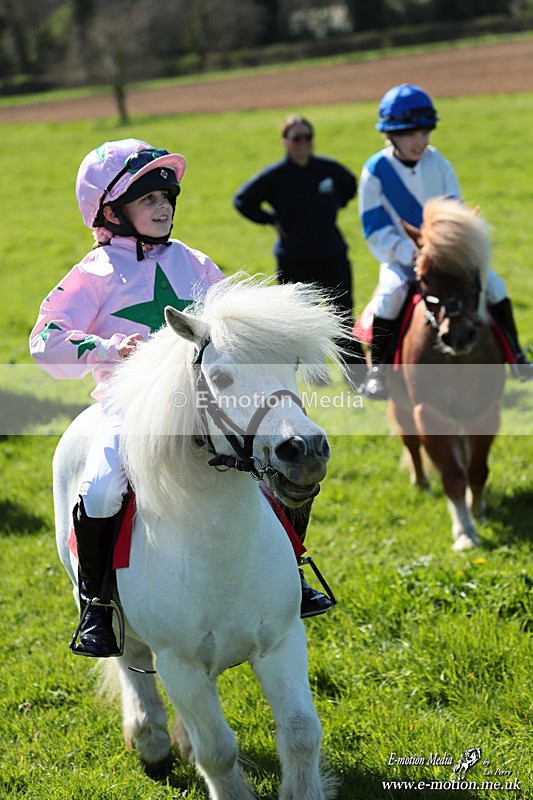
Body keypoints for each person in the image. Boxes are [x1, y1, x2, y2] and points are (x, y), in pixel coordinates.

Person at [30, 139, 331, 659]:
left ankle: (293, 569)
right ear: (110, 210)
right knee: (102, 489)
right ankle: (99, 607)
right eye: (147, 198)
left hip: (206, 404)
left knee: (276, 463)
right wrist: (104, 346)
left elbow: (240, 326)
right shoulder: (93, 272)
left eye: (167, 195)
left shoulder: (195, 261)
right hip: (127, 409)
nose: (163, 206)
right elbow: (44, 340)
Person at [358, 83, 532, 400]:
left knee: (494, 286)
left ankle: (517, 357)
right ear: (391, 134)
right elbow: (374, 229)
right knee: (390, 294)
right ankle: (377, 373)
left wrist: (447, 250)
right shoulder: (375, 171)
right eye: (411, 134)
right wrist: (413, 253)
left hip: (446, 258)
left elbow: (457, 214)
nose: (420, 141)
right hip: (401, 258)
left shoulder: (438, 163)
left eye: (425, 133)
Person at [233, 113, 366, 388]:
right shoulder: (275, 177)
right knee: (300, 324)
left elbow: (350, 186)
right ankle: (315, 380)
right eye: (296, 137)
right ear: (286, 142)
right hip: (294, 260)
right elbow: (242, 200)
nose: (303, 142)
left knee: (342, 318)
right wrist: (271, 220)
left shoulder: (328, 170)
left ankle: (360, 381)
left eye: (307, 136)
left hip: (332, 256)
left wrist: (332, 205)